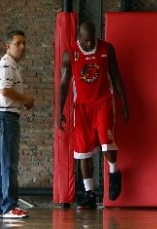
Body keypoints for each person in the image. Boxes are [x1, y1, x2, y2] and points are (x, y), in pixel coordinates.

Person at [57, 21, 129, 209]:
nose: (90, 44)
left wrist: (123, 103)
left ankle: (113, 173)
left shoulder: (106, 49)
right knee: (82, 152)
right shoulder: (70, 54)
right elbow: (64, 84)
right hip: (81, 108)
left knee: (107, 143)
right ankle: (89, 193)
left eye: (92, 39)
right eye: (86, 41)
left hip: (103, 102)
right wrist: (59, 111)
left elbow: (116, 75)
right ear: (79, 37)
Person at [0, 30, 34, 219]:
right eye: (18, 43)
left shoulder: (10, 65)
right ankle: (8, 206)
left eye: (24, 43)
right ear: (8, 46)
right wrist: (25, 99)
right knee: (8, 165)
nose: (22, 47)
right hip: (5, 118)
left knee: (2, 165)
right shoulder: (7, 65)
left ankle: (2, 207)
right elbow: (5, 91)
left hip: (2, 118)